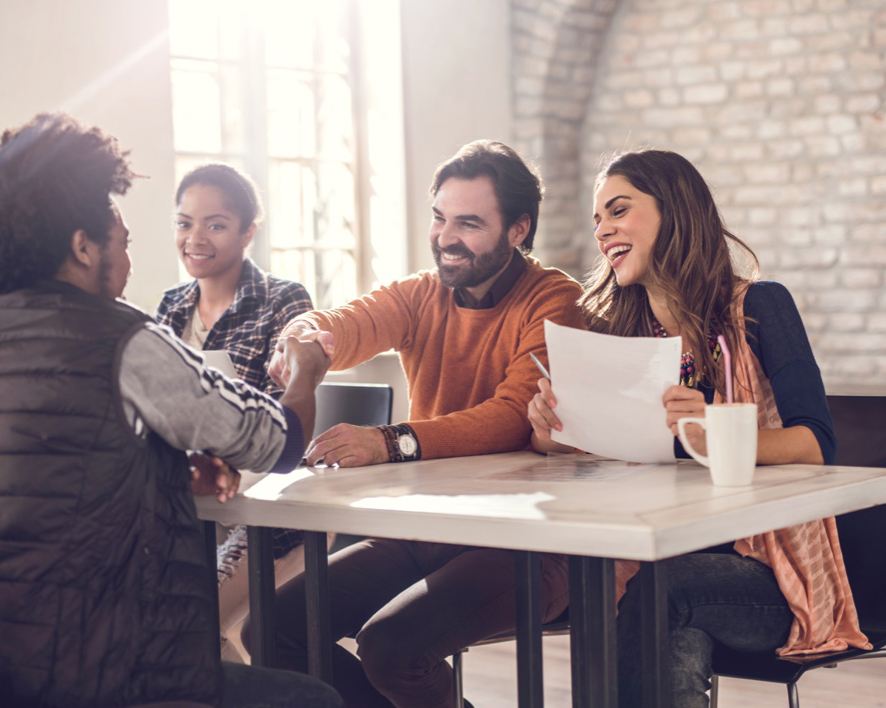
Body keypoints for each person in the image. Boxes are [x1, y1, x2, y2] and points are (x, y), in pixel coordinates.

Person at [0, 112, 342, 708]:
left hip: (19, 665)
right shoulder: (124, 337)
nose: (131, 258)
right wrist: (309, 371)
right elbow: (278, 443)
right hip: (111, 667)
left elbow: (57, 469)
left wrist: (163, 470)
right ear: (83, 247)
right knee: (314, 700)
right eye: (122, 242)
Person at [245, 140, 586, 707]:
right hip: (427, 530)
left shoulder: (555, 299)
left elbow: (510, 416)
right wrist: (302, 335)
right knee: (272, 630)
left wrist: (391, 442)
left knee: (391, 648)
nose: (446, 237)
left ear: (519, 229)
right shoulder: (420, 294)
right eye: (439, 217)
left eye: (469, 223)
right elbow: (346, 323)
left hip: (527, 545)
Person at [528, 149, 870, 707]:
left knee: (658, 595)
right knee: (647, 611)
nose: (602, 230)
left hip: (769, 573)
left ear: (676, 211)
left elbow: (815, 443)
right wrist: (550, 431)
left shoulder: (760, 307)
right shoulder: (617, 335)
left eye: (618, 210)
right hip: (657, 555)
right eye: (596, 220)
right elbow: (598, 448)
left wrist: (715, 430)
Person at [155, 163, 315, 661]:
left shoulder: (283, 300)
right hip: (192, 502)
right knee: (167, 625)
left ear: (249, 231)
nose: (195, 238)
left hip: (267, 508)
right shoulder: (170, 307)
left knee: (197, 622)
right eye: (184, 223)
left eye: (215, 224)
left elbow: (284, 413)